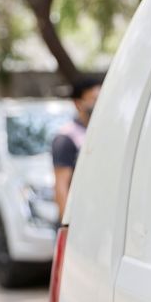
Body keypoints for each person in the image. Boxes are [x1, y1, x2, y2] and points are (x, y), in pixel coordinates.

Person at [52, 77, 101, 219]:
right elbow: (61, 186)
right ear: (78, 104)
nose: (98, 105)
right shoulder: (66, 138)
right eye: (94, 99)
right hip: (79, 220)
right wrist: (67, 225)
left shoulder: (99, 132)